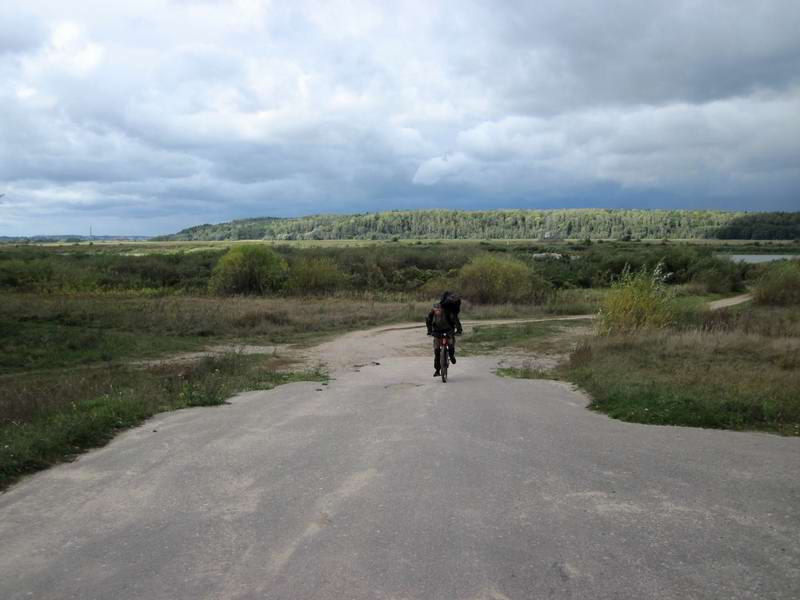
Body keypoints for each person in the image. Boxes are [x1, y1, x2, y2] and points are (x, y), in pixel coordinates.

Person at [426, 295, 463, 377]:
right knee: (436, 351)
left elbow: (455, 320)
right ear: (433, 310)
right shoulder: (431, 314)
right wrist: (429, 331)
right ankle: (437, 370)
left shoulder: (448, 313)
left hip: (448, 330)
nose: (437, 312)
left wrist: (459, 330)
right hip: (437, 332)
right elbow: (428, 321)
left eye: (439, 310)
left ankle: (452, 356)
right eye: (436, 310)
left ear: (442, 309)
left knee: (450, 345)